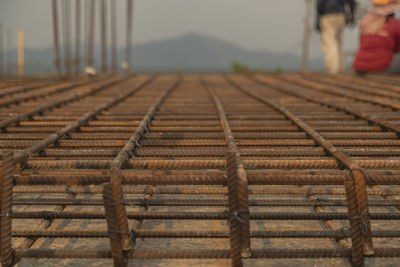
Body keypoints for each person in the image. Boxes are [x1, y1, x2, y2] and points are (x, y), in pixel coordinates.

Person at [353, 0, 400, 73]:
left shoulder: (365, 22)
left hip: (359, 66)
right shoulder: (394, 24)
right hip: (381, 67)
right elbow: (398, 47)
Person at [316, 0, 357, 74]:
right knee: (338, 41)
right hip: (340, 16)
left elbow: (319, 5)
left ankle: (333, 68)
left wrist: (318, 17)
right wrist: (352, 14)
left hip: (327, 15)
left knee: (329, 42)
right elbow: (352, 2)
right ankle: (340, 67)